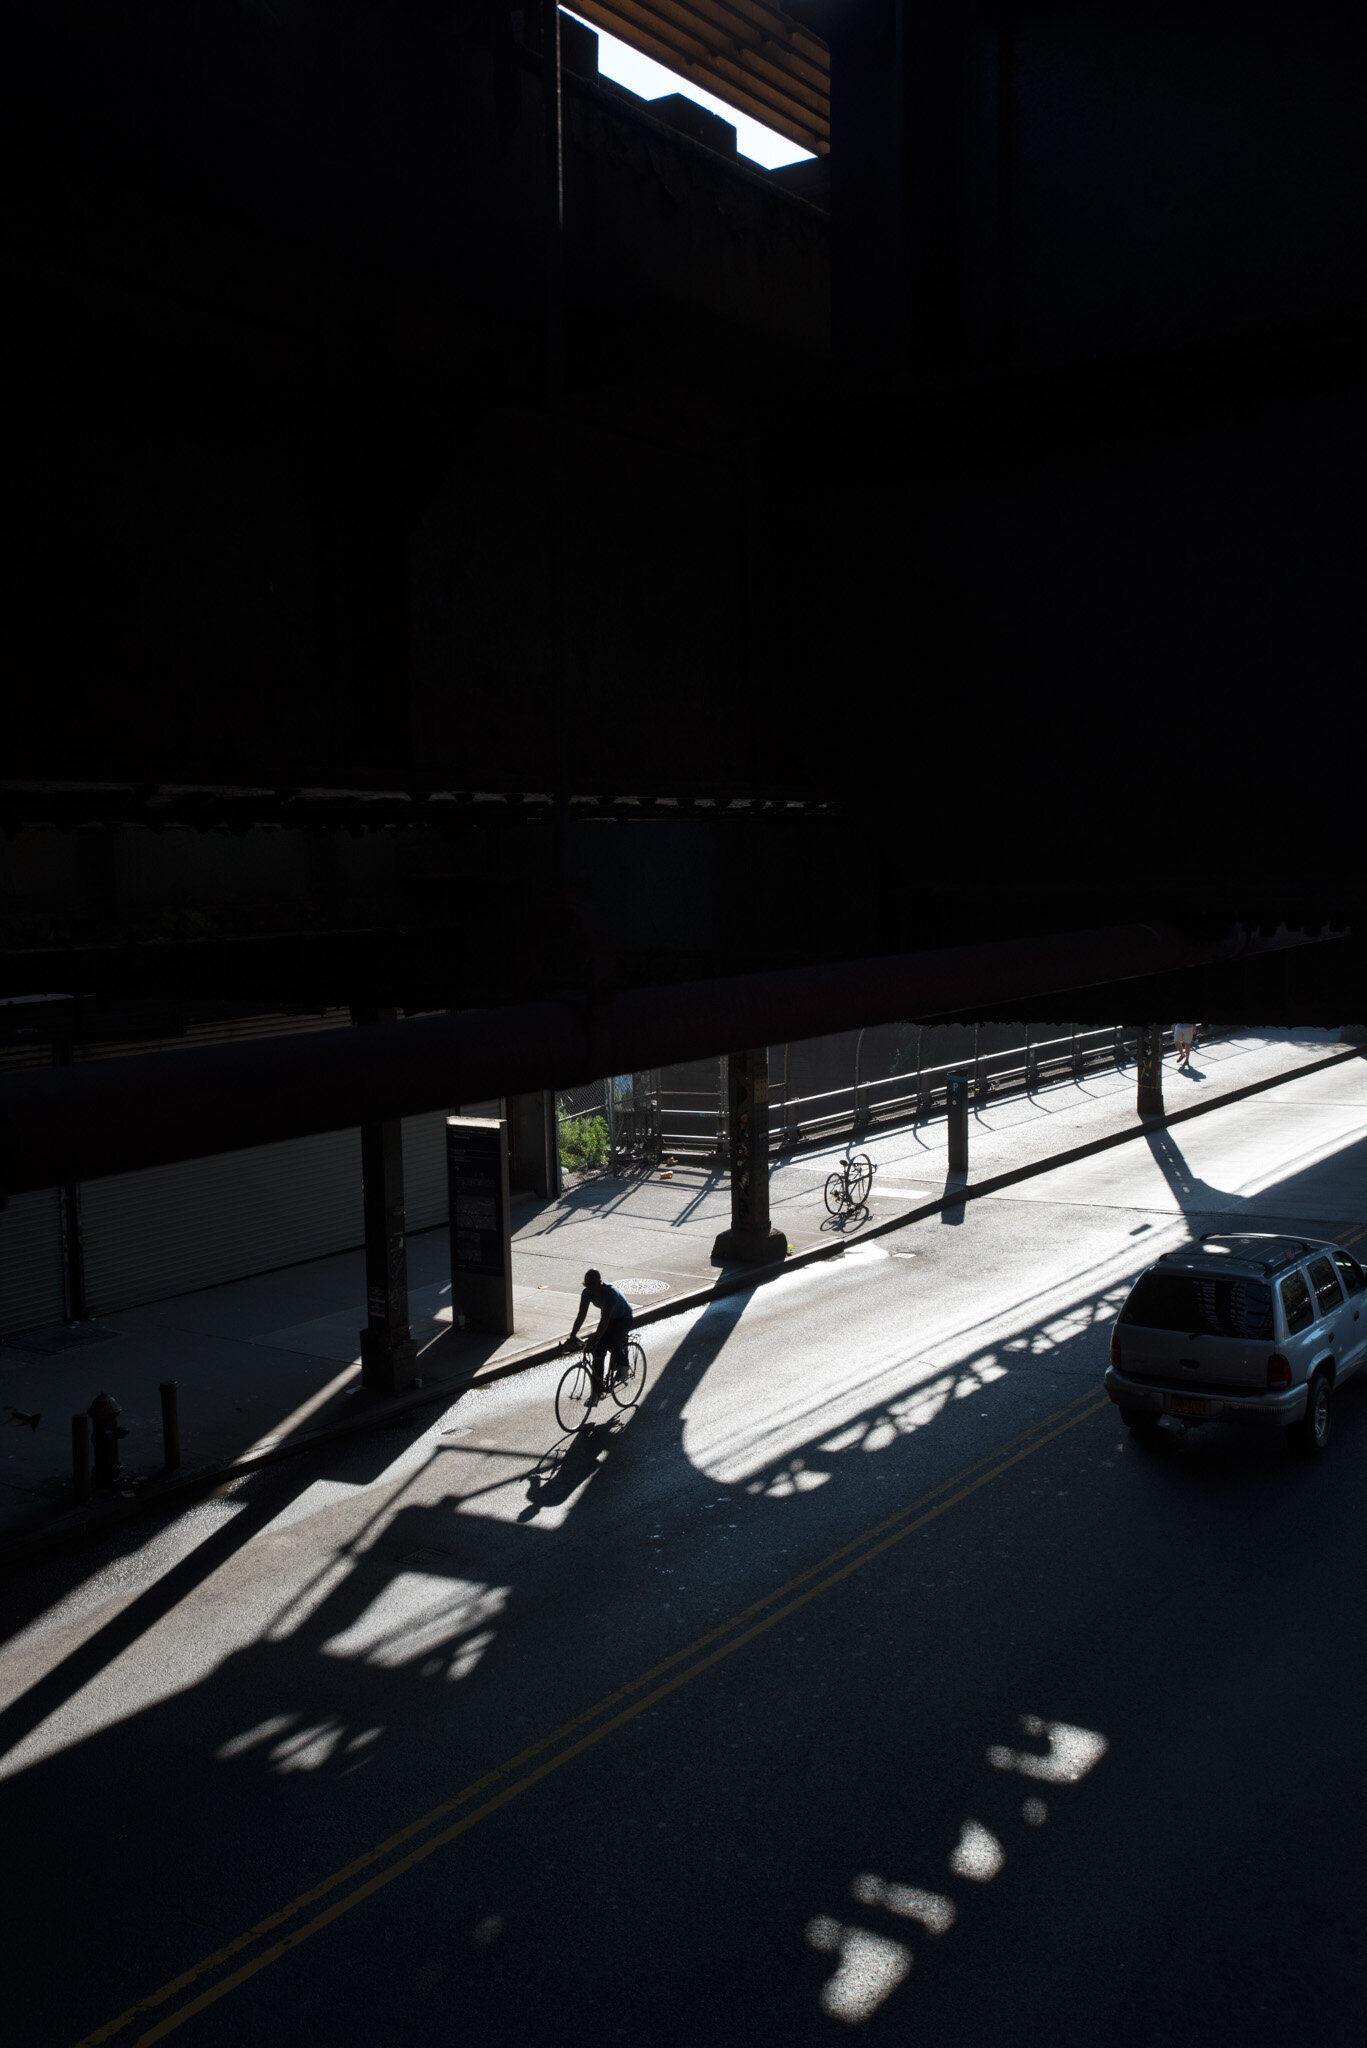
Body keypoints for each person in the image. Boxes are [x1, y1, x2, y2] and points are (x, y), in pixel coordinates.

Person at [565, 1268, 633, 1404]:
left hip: (623, 1318)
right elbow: (581, 1315)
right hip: (609, 1319)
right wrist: (573, 1335)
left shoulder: (611, 1292)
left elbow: (605, 1318)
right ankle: (596, 1393)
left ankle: (624, 1366)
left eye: (593, 1286)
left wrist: (596, 1338)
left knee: (610, 1341)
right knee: (598, 1354)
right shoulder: (587, 1293)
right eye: (588, 1286)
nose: (591, 1290)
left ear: (600, 1283)